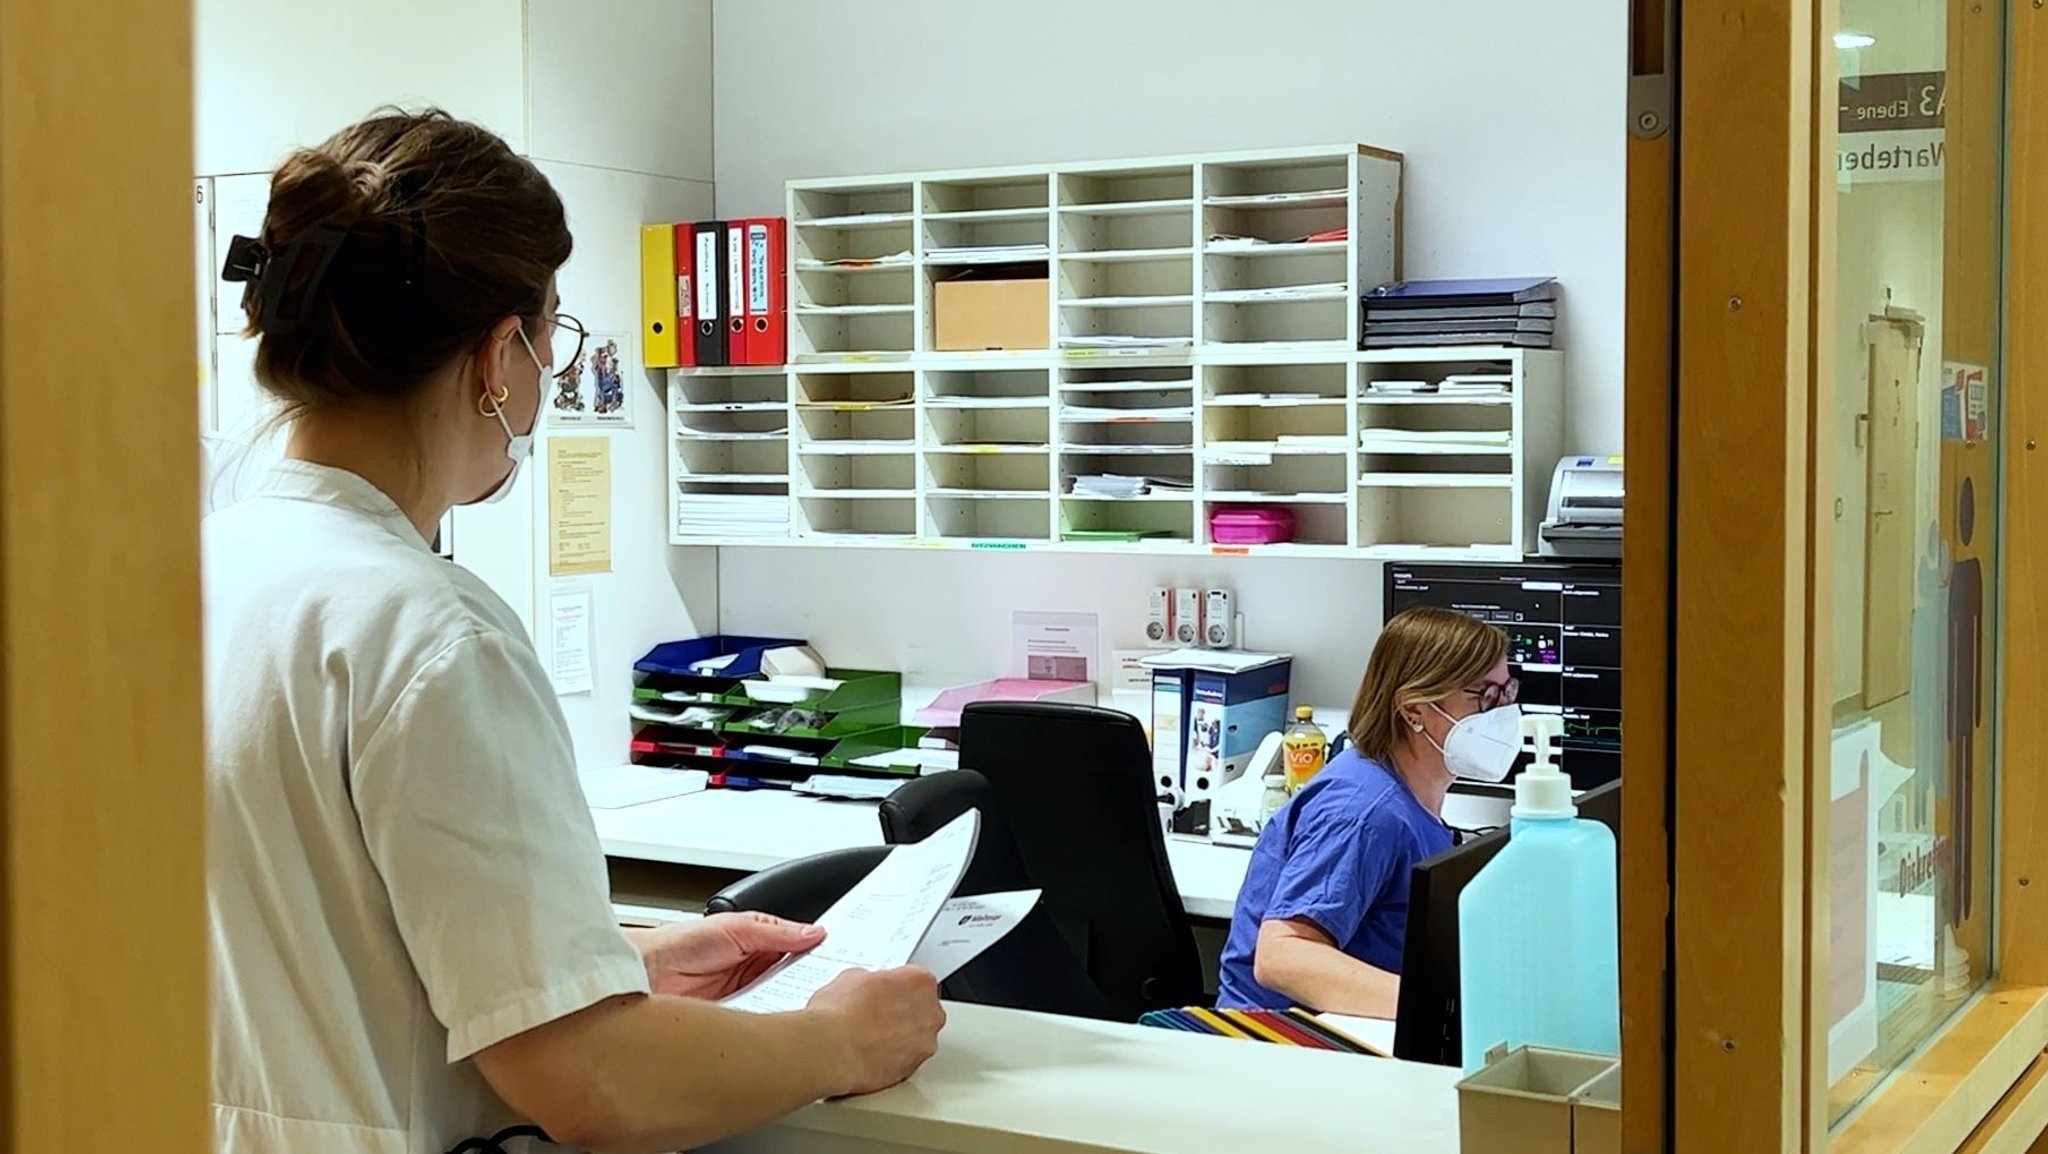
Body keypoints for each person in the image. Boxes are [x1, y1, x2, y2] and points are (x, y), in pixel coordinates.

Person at [204, 109, 944, 1154]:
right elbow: (596, 1084)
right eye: (554, 337)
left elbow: (324, 945)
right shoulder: (428, 634)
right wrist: (839, 1037)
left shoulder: (191, 575)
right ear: (497, 354)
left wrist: (608, 961)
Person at [1214, 607, 1521, 1017]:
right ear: (1414, 709)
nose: (1500, 715)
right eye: (1484, 696)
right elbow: (1282, 956)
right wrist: (1447, 1009)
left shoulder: (1410, 800)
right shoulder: (1364, 812)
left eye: (1506, 693)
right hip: (1279, 1044)